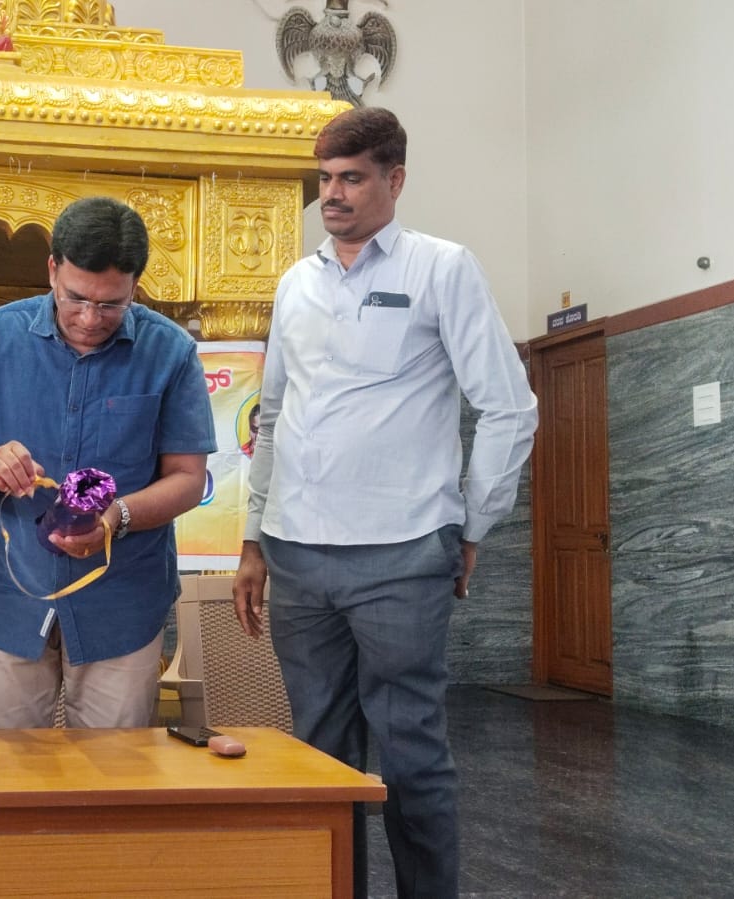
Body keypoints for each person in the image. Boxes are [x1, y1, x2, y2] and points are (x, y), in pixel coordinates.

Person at [233, 107, 537, 899]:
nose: (331, 195)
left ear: (394, 179)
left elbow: (507, 406)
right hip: (298, 554)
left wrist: (471, 522)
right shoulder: (294, 284)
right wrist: (254, 538)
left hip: (402, 552)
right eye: (324, 179)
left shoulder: (442, 268)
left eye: (351, 178)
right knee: (317, 756)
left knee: (409, 753)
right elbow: (271, 416)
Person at [0, 196, 216, 729]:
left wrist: (116, 518)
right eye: (76, 298)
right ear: (52, 270)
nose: (90, 319)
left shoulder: (170, 353)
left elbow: (187, 479)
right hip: (9, 597)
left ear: (135, 285)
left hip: (122, 603)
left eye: (111, 304)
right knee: (1, 768)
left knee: (111, 773)